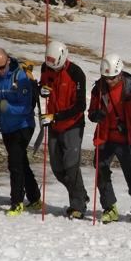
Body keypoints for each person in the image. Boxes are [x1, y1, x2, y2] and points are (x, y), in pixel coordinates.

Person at [0, 48, 41, 216]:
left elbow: (26, 107)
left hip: (23, 125)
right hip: (6, 127)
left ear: (8, 61)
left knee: (14, 163)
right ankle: (35, 198)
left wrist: (0, 105)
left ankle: (17, 202)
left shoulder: (20, 77)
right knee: (21, 162)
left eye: (2, 67)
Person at [87, 53, 131, 224]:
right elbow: (91, 111)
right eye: (106, 77)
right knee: (100, 169)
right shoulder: (99, 88)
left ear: (120, 73)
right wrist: (95, 115)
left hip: (126, 138)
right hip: (105, 137)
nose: (109, 81)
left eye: (112, 77)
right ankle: (109, 207)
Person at [39, 40, 88, 219]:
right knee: (57, 168)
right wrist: (42, 90)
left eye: (57, 68)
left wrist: (56, 116)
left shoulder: (76, 74)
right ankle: (80, 194)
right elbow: (43, 85)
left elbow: (80, 105)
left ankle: (78, 205)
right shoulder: (46, 67)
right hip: (53, 124)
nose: (54, 71)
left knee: (71, 165)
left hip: (72, 124)